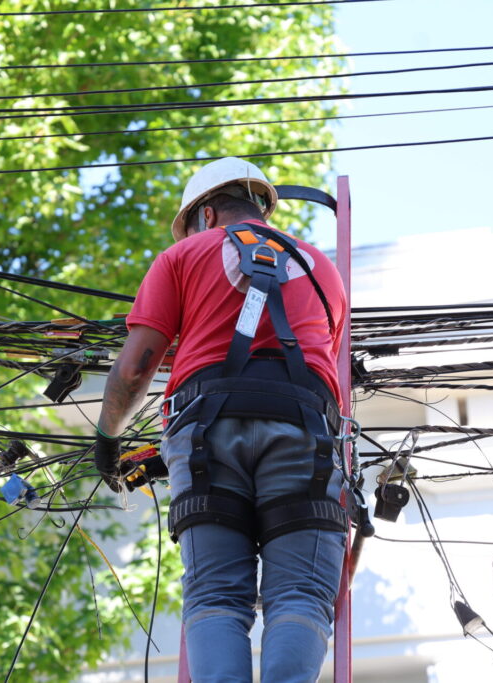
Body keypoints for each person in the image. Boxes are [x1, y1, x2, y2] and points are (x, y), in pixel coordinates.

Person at [95, 157, 348, 682]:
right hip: (305, 429)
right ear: (262, 210)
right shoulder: (324, 271)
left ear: (206, 214)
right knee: (300, 592)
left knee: (214, 595)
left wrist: (108, 438)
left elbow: (137, 365)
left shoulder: (182, 256)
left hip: (205, 435)